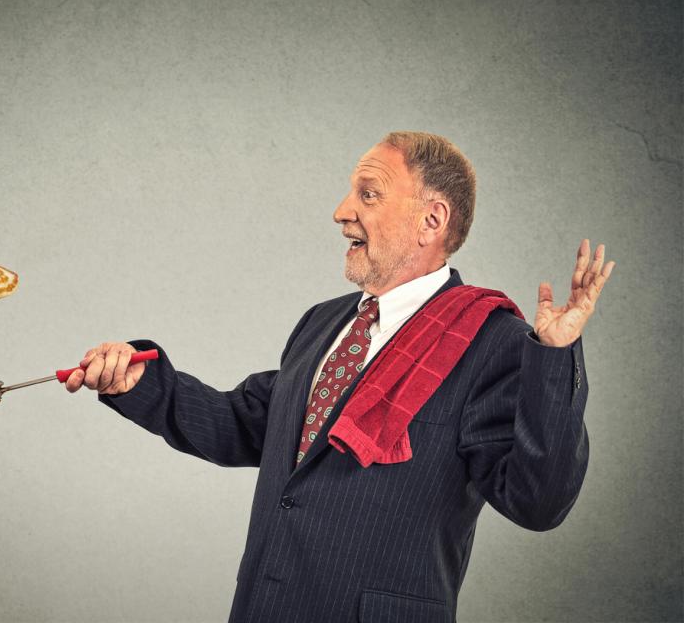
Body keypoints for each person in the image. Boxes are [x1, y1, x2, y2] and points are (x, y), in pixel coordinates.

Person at [64, 131, 614, 623]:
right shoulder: (327, 321)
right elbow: (250, 424)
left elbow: (537, 502)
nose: (340, 211)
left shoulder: (491, 341)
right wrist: (137, 381)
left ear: (432, 220)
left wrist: (553, 356)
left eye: (368, 194)